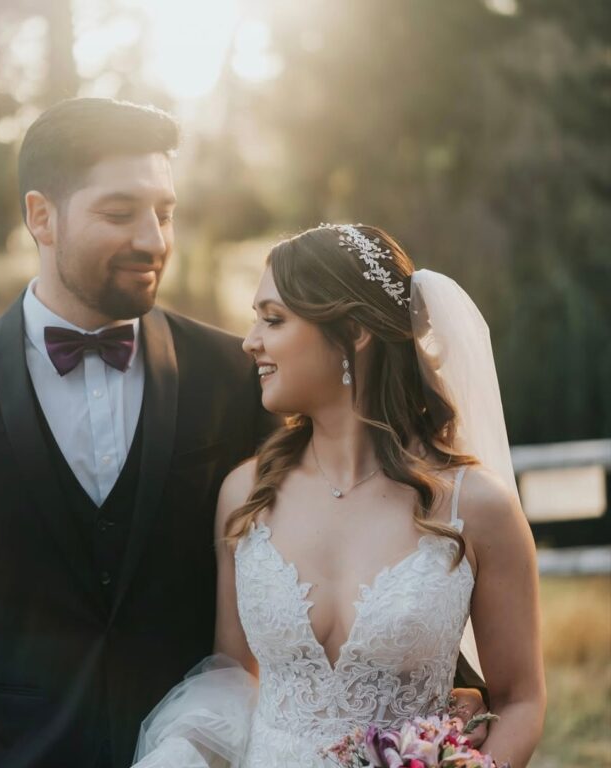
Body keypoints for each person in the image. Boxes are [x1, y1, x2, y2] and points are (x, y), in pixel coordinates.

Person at [0, 98, 275, 768]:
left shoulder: (235, 376)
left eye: (164, 212)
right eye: (120, 213)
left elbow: (322, 546)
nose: (154, 239)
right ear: (41, 217)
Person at [133, 224, 546, 768]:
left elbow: (521, 701)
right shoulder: (247, 494)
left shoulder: (478, 507)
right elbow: (234, 674)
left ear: (354, 331)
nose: (250, 340)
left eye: (273, 319)